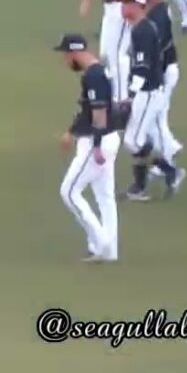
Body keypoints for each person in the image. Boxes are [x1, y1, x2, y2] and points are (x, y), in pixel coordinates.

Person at [53, 34, 120, 263]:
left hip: (96, 141)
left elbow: (99, 113)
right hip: (108, 137)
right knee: (105, 196)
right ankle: (110, 250)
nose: (65, 60)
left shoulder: (94, 76)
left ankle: (101, 243)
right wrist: (71, 132)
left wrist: (97, 145)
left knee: (69, 192)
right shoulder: (99, 71)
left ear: (74, 52)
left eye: (65, 54)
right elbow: (88, 110)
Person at [120, 0, 184, 201]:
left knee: (134, 141)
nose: (123, 8)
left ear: (137, 6)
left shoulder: (143, 31)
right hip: (148, 91)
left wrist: (130, 94)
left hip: (148, 92)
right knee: (136, 140)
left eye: (127, 4)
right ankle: (143, 185)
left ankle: (168, 172)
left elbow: (143, 66)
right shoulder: (141, 27)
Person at [135, 0, 184, 178]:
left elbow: (158, 48)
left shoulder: (159, 15)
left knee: (155, 117)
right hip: (162, 71)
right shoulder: (154, 10)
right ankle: (168, 153)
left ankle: (169, 151)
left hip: (164, 71)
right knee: (157, 117)